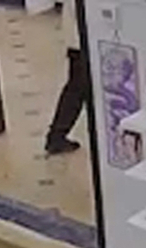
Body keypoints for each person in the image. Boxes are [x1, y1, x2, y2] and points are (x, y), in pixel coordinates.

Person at [46, 0, 89, 155]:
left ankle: (56, 136)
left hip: (80, 37)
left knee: (76, 88)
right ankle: (56, 136)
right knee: (77, 89)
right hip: (83, 38)